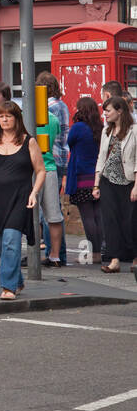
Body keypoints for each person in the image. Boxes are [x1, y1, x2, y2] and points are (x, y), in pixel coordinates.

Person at [0, 101, 46, 299]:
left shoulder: (28, 142)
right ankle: (17, 280)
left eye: (8, 116)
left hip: (19, 198)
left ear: (16, 118)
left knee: (10, 241)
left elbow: (41, 170)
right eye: (1, 116)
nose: (5, 119)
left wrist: (34, 192)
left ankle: (8, 287)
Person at [95, 96, 137, 275]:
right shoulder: (106, 131)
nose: (105, 113)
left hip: (128, 182)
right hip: (108, 182)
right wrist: (96, 185)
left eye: (108, 110)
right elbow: (101, 158)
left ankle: (135, 258)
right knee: (110, 221)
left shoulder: (134, 131)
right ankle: (114, 260)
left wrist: (136, 185)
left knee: (130, 222)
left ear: (119, 111)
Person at [63, 96, 103, 264]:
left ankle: (94, 253)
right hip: (98, 177)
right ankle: (102, 250)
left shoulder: (78, 128)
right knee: (97, 216)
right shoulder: (100, 127)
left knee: (87, 217)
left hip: (81, 177)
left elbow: (69, 143)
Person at [35, 81, 65, 267]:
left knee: (31, 214)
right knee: (53, 215)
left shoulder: (22, 118)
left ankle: (34, 253)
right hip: (50, 169)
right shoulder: (53, 119)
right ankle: (55, 255)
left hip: (32, 171)